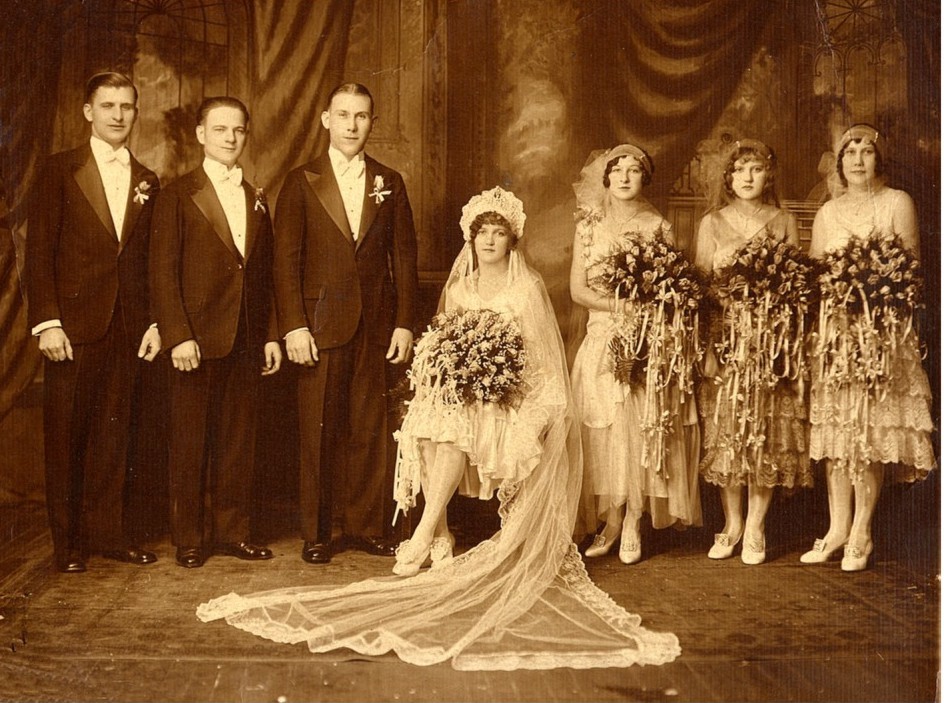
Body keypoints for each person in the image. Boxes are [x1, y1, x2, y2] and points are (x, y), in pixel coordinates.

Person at [197, 186, 681, 671]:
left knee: (452, 425)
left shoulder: (525, 287)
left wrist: (494, 379)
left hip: (514, 393)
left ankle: (425, 532)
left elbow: (537, 360)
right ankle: (440, 533)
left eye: (499, 234)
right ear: (470, 240)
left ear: (512, 241)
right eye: (482, 234)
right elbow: (444, 344)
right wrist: (454, 376)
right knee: (430, 421)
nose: (490, 242)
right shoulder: (461, 288)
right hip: (468, 391)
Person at [272, 82, 418, 565]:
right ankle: (316, 533)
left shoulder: (390, 181)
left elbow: (404, 258)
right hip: (318, 325)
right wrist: (293, 326)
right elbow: (284, 261)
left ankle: (366, 526)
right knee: (317, 431)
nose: (352, 125)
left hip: (376, 328)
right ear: (325, 119)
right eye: (343, 114)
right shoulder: (300, 180)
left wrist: (403, 324)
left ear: (372, 123)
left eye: (362, 116)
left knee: (369, 429)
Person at [25, 72, 161, 573]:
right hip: (72, 328)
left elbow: (146, 262)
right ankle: (69, 545)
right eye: (109, 106)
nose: (119, 115)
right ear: (88, 112)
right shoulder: (59, 170)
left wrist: (151, 324)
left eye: (127, 106)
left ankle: (110, 535)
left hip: (127, 328)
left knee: (116, 436)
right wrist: (47, 322)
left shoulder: (149, 178)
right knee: (67, 438)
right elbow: (37, 252)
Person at [150, 97, 282, 568]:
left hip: (245, 338)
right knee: (190, 442)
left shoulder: (256, 195)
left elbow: (263, 274)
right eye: (220, 129)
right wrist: (178, 335)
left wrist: (269, 334)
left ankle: (233, 531)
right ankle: (190, 536)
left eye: (238, 130)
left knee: (237, 441)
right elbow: (162, 272)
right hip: (196, 340)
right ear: (201, 134)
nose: (230, 138)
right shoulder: (177, 194)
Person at [802, 125, 935, 571]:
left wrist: (877, 296)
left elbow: (911, 272)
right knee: (839, 432)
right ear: (839, 163)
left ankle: (862, 530)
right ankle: (837, 526)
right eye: (850, 152)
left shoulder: (898, 202)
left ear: (880, 159)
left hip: (882, 334)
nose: (858, 160)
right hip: (837, 334)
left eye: (867, 152)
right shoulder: (827, 213)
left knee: (869, 430)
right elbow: (819, 275)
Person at [569, 144, 702, 565]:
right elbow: (578, 290)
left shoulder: (657, 225)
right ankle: (610, 520)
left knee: (639, 427)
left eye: (635, 171)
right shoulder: (587, 225)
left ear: (645, 179)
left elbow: (673, 290)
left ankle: (634, 520)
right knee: (604, 431)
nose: (625, 177)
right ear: (605, 178)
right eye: (618, 171)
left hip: (646, 340)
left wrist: (645, 313)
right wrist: (617, 306)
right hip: (602, 337)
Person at [693, 138, 812, 565]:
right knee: (728, 431)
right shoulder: (711, 223)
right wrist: (707, 348)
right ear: (728, 177)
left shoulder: (782, 221)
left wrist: (783, 343)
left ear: (768, 176)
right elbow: (703, 290)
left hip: (769, 340)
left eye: (756, 169)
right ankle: (733, 522)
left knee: (764, 431)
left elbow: (797, 287)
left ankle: (758, 525)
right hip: (727, 339)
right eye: (740, 169)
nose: (747, 177)